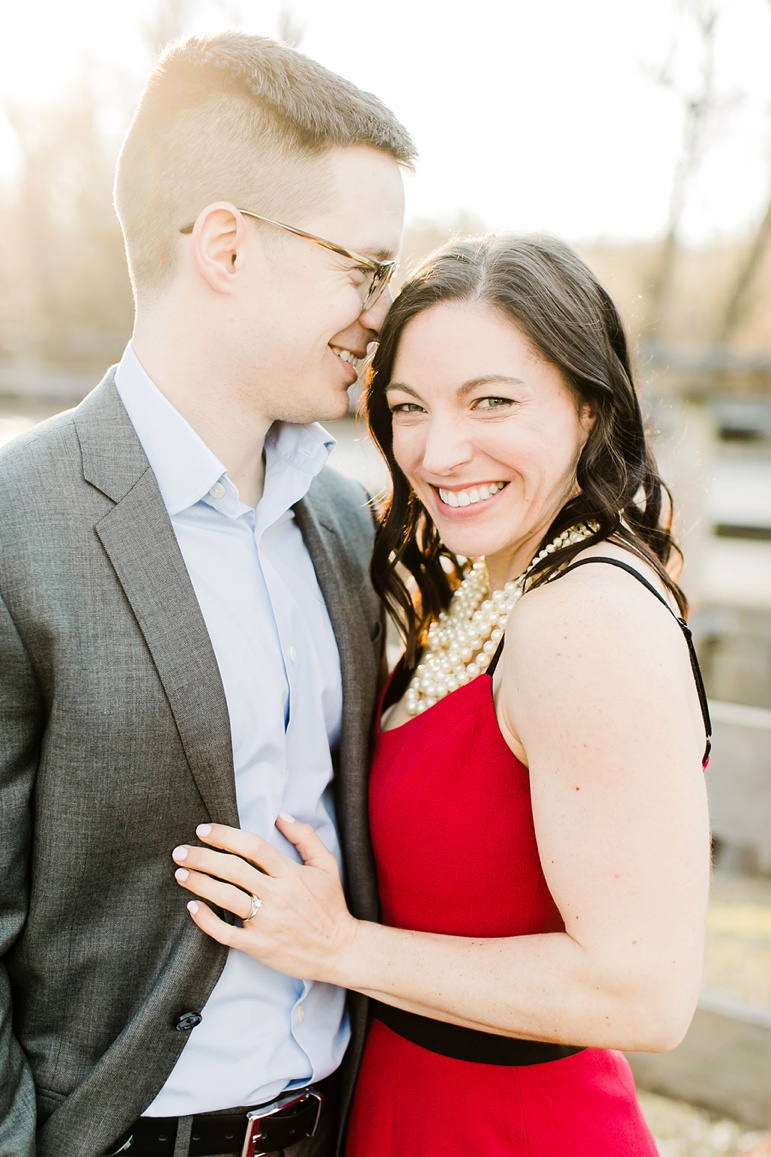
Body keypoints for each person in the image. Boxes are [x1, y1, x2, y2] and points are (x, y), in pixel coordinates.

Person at [170, 234, 713, 1155]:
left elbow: (643, 992)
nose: (439, 449)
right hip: (404, 1101)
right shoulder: (489, 584)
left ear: (588, 405)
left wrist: (336, 946)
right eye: (407, 406)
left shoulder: (586, 618)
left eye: (490, 400)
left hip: (512, 1128)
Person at [0, 30, 415, 1157]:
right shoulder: (15, 522)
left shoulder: (341, 520)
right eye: (365, 267)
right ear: (226, 247)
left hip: (341, 1123)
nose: (383, 313)